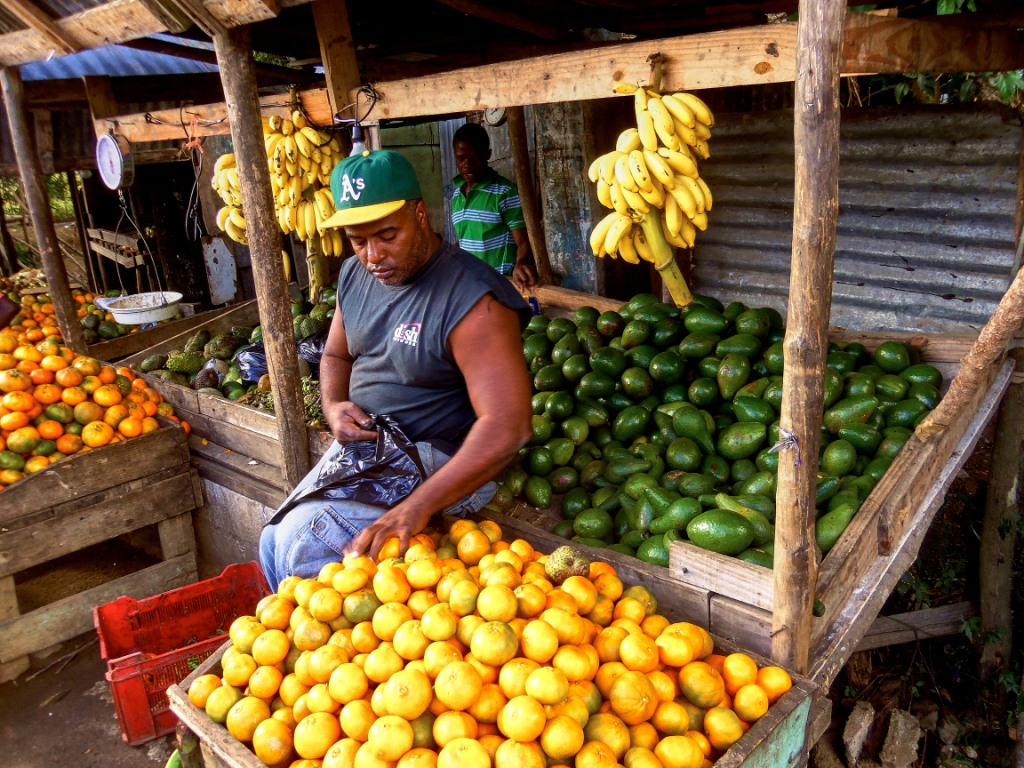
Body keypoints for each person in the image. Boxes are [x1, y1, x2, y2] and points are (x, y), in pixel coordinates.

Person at [259, 149, 533, 586]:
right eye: (358, 240)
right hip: (372, 446)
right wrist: (332, 406)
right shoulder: (354, 275)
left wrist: (417, 507)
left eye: (388, 235)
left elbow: (508, 426)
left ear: (420, 214)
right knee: (272, 538)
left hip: (440, 456)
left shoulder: (473, 300)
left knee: (304, 542)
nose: (373, 256)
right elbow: (335, 355)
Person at [451, 122, 538, 292]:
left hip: (501, 283)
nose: (467, 164)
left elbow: (523, 241)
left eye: (474, 158)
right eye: (461, 158)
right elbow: (467, 239)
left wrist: (521, 262)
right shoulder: (456, 196)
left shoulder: (504, 192)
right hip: (471, 282)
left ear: (487, 155)